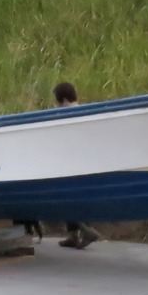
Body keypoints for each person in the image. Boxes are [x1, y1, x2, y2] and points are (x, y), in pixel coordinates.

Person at [53, 82, 100, 249]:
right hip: (86, 164)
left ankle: (85, 230)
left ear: (63, 100)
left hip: (69, 164)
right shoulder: (84, 112)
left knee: (64, 199)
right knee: (78, 199)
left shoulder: (64, 116)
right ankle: (74, 235)